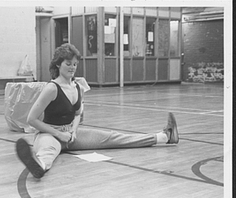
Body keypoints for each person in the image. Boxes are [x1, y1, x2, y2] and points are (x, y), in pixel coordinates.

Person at [15, 43, 179, 179]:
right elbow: (32, 119)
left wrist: (72, 131)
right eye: (68, 64)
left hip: (71, 135)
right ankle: (39, 167)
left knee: (114, 138)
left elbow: (78, 114)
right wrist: (59, 134)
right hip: (50, 134)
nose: (72, 68)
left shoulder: (77, 86)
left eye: (75, 64)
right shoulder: (51, 88)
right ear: (58, 64)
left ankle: (165, 137)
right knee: (47, 152)